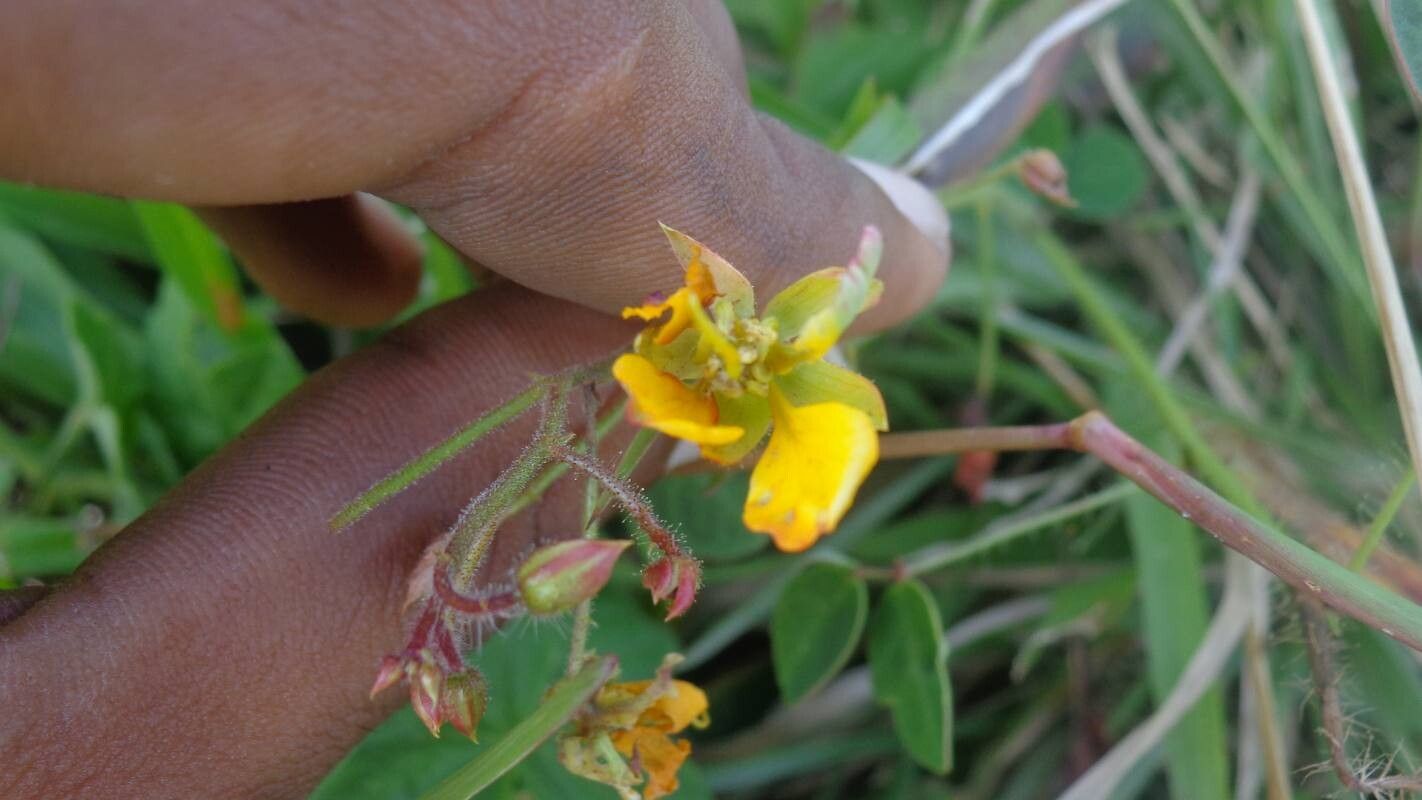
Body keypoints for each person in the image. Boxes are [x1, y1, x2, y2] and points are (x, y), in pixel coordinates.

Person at [0, 2, 949, 795]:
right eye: (739, 337)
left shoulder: (766, 392)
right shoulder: (667, 357)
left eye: (747, 345)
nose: (736, 343)